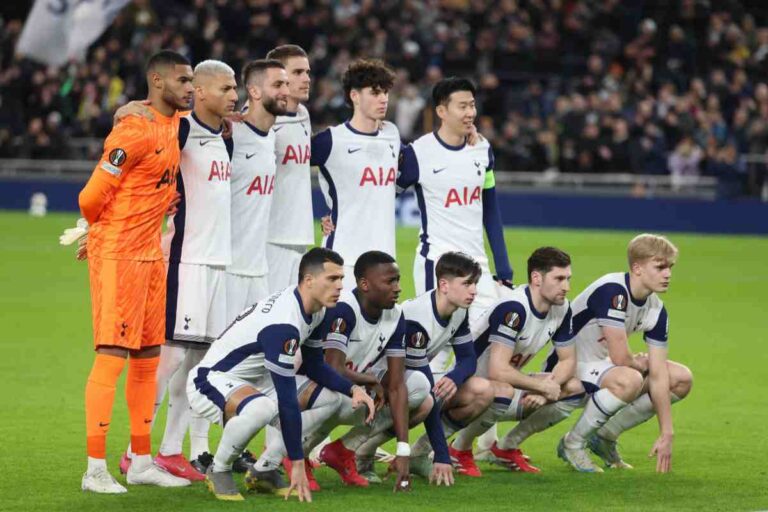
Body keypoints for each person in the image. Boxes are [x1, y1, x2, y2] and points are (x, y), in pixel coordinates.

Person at [78, 49, 194, 493]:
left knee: (148, 358)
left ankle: (142, 460)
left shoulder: (173, 125)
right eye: (183, 81)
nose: (189, 88)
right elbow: (90, 197)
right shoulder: (134, 129)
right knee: (112, 355)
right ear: (158, 82)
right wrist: (102, 233)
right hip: (120, 255)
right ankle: (94, 469)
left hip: (150, 255)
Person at [186, 248, 375, 501]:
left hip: (257, 383)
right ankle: (219, 469)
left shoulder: (316, 309)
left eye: (341, 278)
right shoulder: (283, 323)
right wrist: (297, 461)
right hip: (212, 380)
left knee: (332, 399)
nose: (340, 286)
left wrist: (352, 389)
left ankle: (264, 470)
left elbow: (314, 365)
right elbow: (286, 400)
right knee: (262, 408)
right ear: (308, 280)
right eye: (332, 279)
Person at [396, 77, 514, 457]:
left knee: (493, 348)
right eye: (462, 106)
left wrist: (504, 266)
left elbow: (491, 210)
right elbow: (379, 191)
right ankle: (408, 443)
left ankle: (478, 444)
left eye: (473, 105)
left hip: (477, 265)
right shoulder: (418, 153)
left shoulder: (484, 151)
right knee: (437, 354)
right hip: (437, 264)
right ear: (441, 110)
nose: (470, 113)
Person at [260, 251, 426, 490]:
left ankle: (342, 451)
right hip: (301, 387)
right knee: (337, 397)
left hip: (347, 387)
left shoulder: (396, 315)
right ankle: (293, 453)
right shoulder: (343, 309)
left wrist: (403, 450)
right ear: (365, 284)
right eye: (390, 281)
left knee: (420, 390)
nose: (398, 288)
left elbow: (398, 383)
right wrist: (368, 380)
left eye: (398, 280)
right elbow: (331, 368)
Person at [147, 60, 239, 480]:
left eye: (235, 87)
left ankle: (170, 451)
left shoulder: (224, 136)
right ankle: (138, 451)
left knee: (198, 364)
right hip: (187, 262)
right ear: (200, 92)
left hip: (218, 263)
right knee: (167, 362)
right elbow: (144, 150)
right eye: (225, 88)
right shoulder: (179, 130)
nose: (233, 95)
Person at [555, 234, 693, 473]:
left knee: (680, 378)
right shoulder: (613, 291)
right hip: (570, 364)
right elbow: (621, 358)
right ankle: (573, 443)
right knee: (631, 378)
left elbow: (659, 375)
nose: (668, 274)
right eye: (660, 267)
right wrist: (637, 363)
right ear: (637, 268)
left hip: (604, 366)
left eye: (670, 267)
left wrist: (667, 432)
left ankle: (605, 436)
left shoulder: (656, 309)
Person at [355, 252, 494, 485]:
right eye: (467, 283)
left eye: (475, 284)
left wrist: (454, 377)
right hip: (378, 383)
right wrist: (442, 455)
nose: (474, 291)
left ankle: (419, 454)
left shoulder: (458, 310)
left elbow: (468, 359)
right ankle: (361, 453)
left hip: (409, 380)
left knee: (482, 391)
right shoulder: (417, 319)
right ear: (444, 285)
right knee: (425, 400)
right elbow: (426, 389)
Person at [450, 247, 583, 475]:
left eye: (568, 279)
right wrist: (540, 386)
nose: (566, 287)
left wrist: (546, 389)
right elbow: (497, 371)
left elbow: (568, 360)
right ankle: (458, 450)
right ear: (536, 278)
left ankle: (506, 447)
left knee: (574, 387)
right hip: (469, 389)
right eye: (559, 279)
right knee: (502, 390)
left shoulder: (562, 308)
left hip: (504, 387)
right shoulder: (514, 308)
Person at [311, 59, 400, 289]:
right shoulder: (330, 141)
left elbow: (417, 166)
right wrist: (320, 212)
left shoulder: (392, 135)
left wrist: (466, 136)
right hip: (343, 259)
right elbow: (288, 171)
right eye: (375, 92)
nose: (384, 99)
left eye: (386, 92)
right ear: (355, 96)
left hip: (385, 260)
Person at [225, 59, 289, 322]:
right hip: (226, 271)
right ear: (254, 91)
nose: (286, 90)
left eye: (286, 83)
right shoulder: (229, 134)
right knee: (200, 358)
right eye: (278, 84)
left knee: (257, 359)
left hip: (258, 272)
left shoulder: (272, 137)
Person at [265, 45, 315, 291]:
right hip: (271, 238)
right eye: (297, 72)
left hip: (301, 234)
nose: (306, 78)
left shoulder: (304, 114)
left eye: (307, 72)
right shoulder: (262, 120)